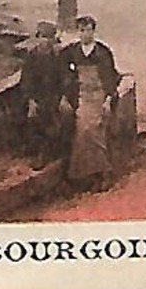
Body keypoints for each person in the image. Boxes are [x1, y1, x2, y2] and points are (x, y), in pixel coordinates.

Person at [59, 15, 121, 189]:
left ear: (93, 31)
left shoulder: (102, 52)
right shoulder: (72, 51)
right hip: (82, 96)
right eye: (82, 30)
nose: (85, 34)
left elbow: (110, 77)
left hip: (99, 95)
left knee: (94, 131)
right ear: (78, 32)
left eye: (89, 30)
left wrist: (108, 99)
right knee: (82, 132)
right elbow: (63, 69)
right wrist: (66, 94)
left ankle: (104, 173)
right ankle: (86, 176)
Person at [19, 21, 69, 165]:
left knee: (58, 116)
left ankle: (53, 150)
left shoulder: (58, 56)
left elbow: (66, 78)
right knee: (31, 117)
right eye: (42, 37)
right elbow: (26, 80)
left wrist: (64, 97)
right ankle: (38, 150)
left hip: (55, 94)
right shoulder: (32, 56)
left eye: (48, 37)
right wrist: (31, 100)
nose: (45, 41)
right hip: (37, 95)